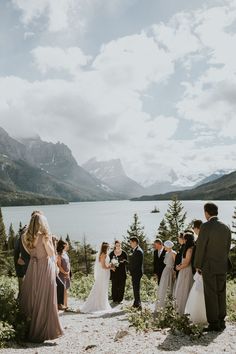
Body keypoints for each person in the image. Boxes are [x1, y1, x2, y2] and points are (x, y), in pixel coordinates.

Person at [20, 212, 63, 342]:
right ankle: (42, 331)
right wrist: (49, 242)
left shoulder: (26, 236)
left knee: (33, 296)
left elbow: (29, 253)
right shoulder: (44, 236)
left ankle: (28, 328)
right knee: (46, 298)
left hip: (33, 268)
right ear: (42, 222)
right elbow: (50, 254)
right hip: (45, 267)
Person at [194, 202, 231, 332]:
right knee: (221, 292)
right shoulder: (226, 226)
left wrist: (198, 265)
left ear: (206, 212)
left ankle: (214, 323)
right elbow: (227, 248)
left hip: (209, 266)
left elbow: (201, 247)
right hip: (222, 265)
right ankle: (222, 321)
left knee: (211, 294)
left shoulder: (206, 226)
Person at [80, 242, 113, 313]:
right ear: (105, 248)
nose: (109, 248)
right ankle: (98, 304)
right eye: (108, 247)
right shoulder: (103, 255)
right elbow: (103, 266)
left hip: (105, 273)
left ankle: (102, 303)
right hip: (103, 274)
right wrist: (110, 266)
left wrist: (110, 265)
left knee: (103, 288)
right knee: (100, 288)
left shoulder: (104, 254)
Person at [174, 232, 194, 314]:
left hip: (186, 271)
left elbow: (187, 262)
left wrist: (179, 267)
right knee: (181, 288)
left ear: (186, 239)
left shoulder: (190, 249)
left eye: (184, 239)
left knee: (184, 288)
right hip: (183, 269)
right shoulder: (188, 248)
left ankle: (183, 309)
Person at [155, 240, 176, 311]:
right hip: (165, 270)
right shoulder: (166, 253)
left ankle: (169, 303)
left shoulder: (173, 253)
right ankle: (162, 303)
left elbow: (175, 263)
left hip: (170, 270)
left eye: (165, 246)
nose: (164, 247)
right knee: (163, 286)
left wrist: (174, 273)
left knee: (169, 285)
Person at [14, 224, 30, 296]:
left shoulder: (21, 238)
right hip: (22, 268)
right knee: (22, 288)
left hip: (26, 266)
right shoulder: (20, 239)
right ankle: (20, 302)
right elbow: (16, 253)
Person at [129, 237, 144, 309]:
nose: (130, 244)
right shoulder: (136, 250)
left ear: (135, 242)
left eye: (131, 242)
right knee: (135, 288)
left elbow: (137, 264)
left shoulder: (138, 251)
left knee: (136, 288)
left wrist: (130, 270)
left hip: (137, 273)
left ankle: (138, 305)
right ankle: (136, 303)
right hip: (136, 272)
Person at [57, 240, 71, 309]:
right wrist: (65, 272)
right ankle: (63, 305)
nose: (68, 246)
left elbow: (68, 263)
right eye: (66, 244)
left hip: (67, 273)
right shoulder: (59, 254)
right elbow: (59, 266)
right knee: (64, 290)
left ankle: (66, 304)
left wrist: (68, 272)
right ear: (63, 245)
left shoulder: (66, 253)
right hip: (61, 274)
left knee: (66, 290)